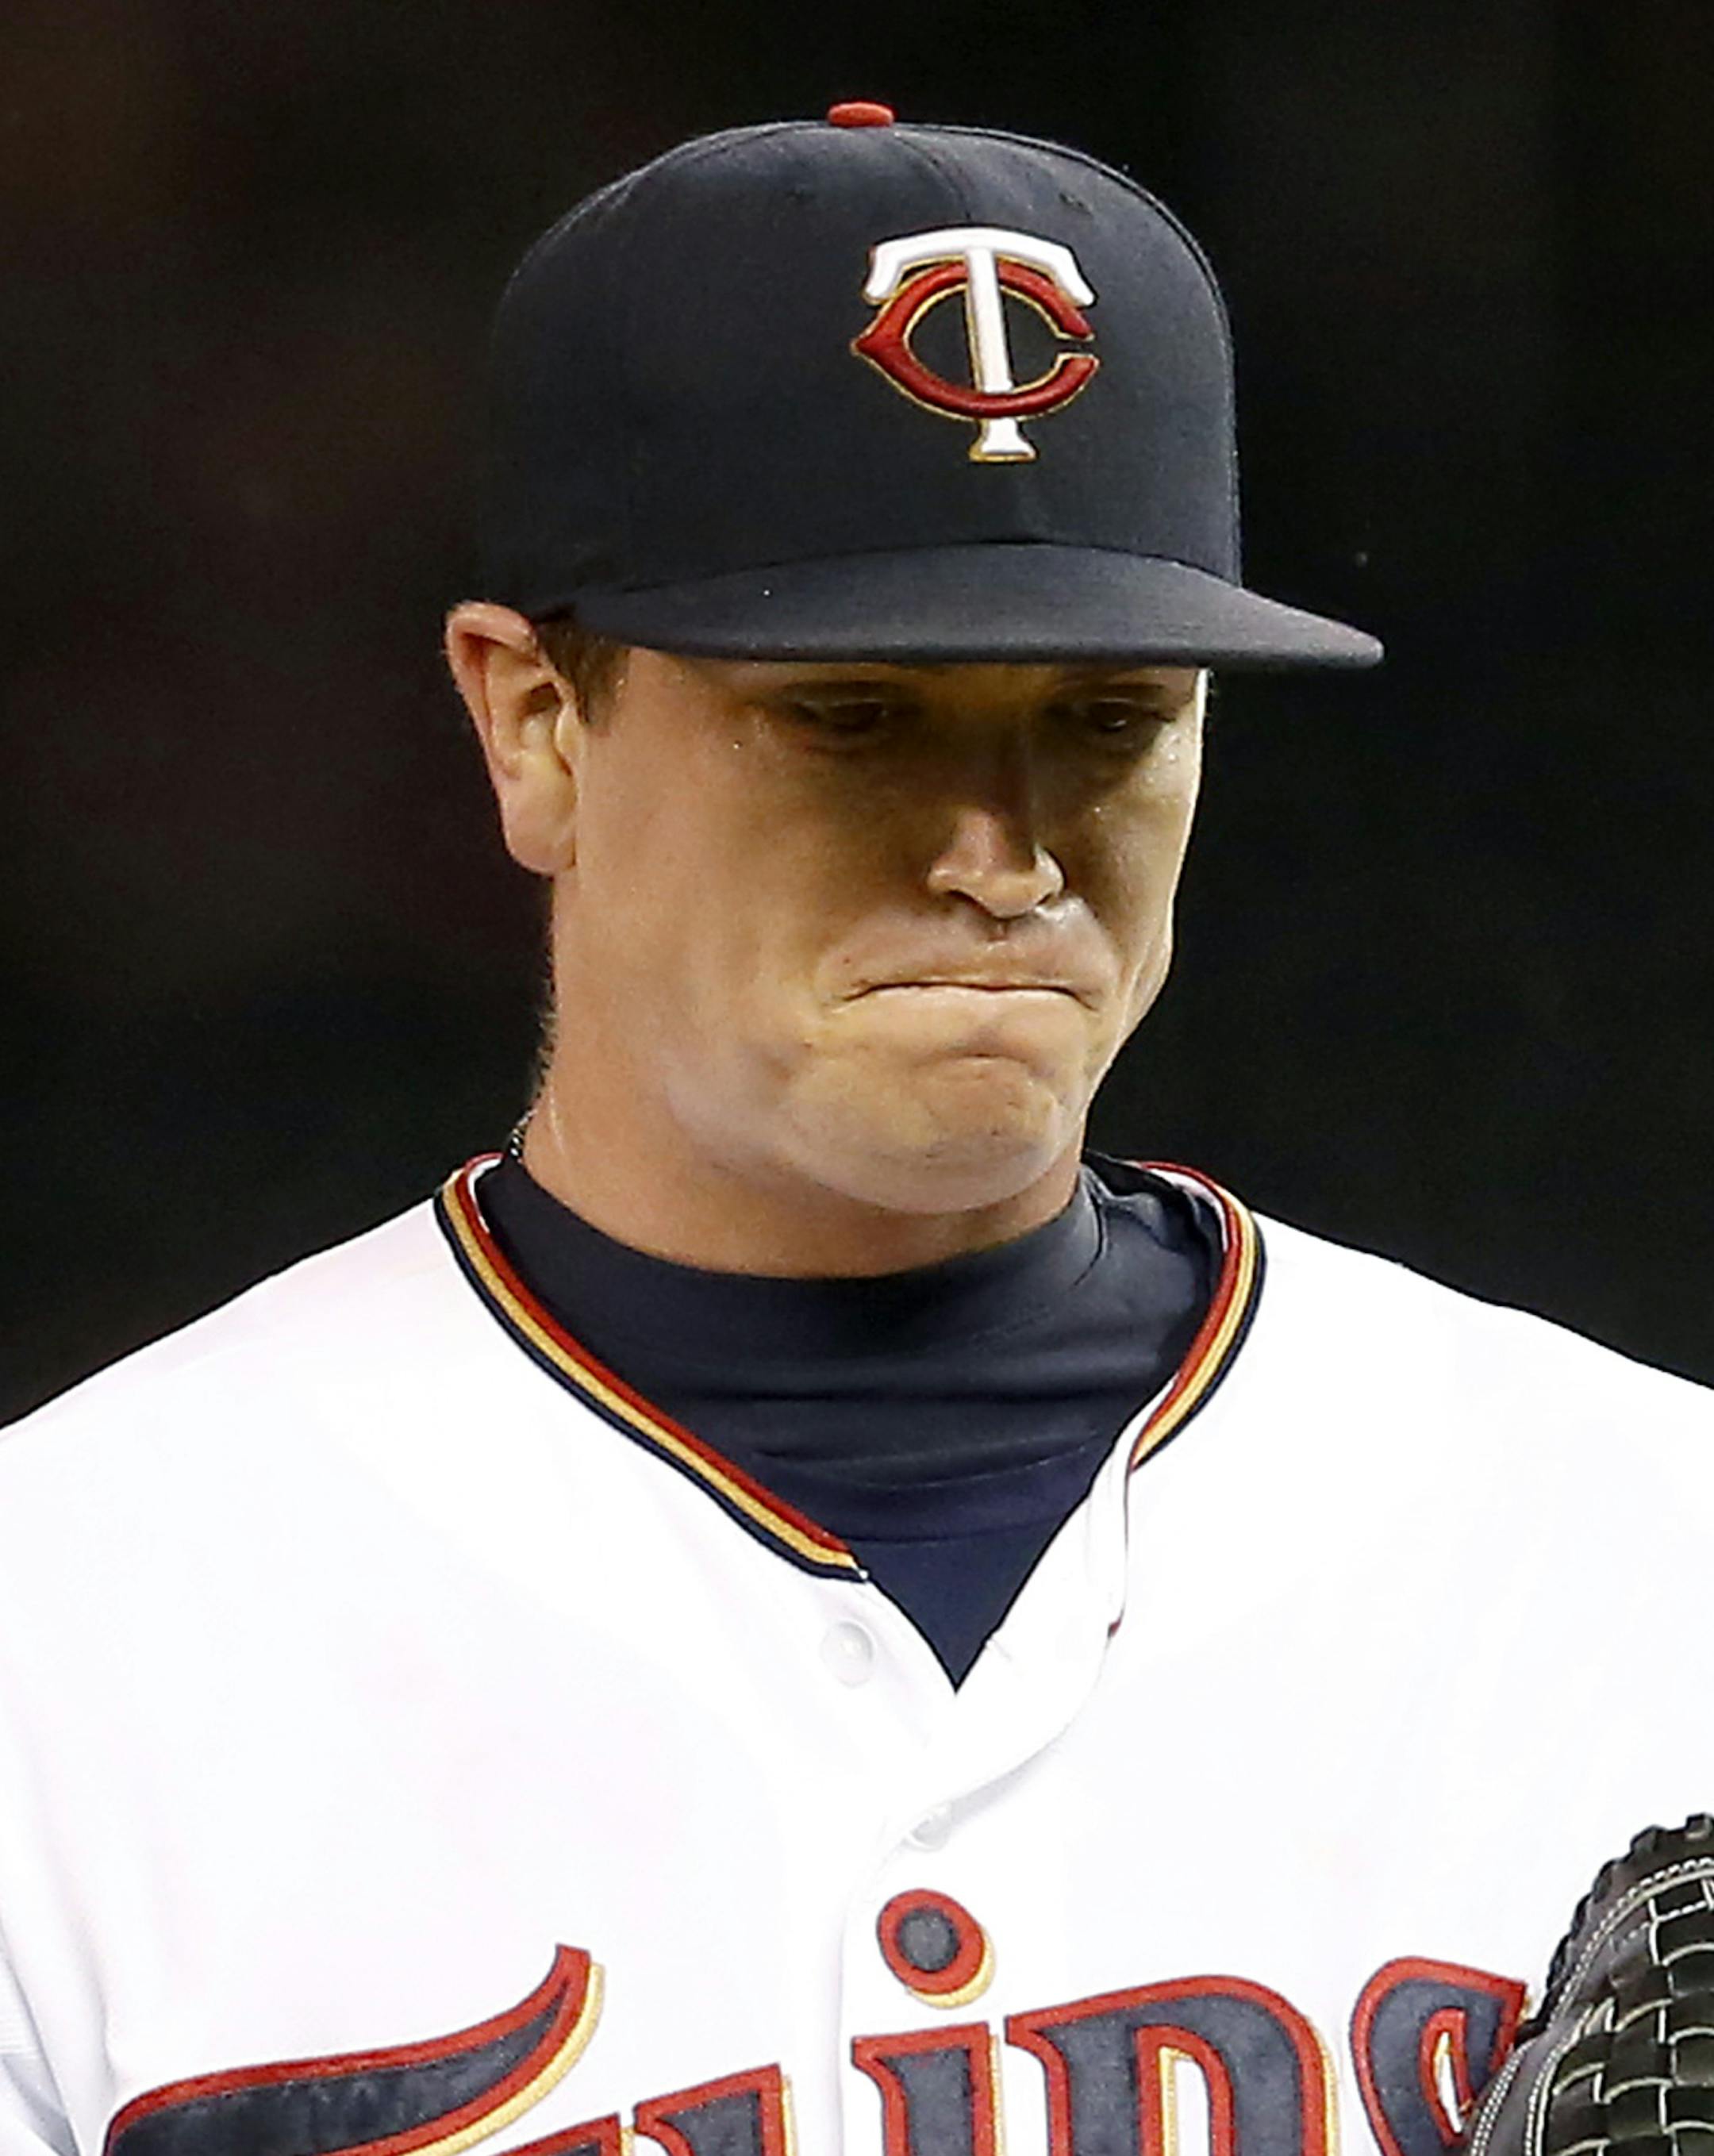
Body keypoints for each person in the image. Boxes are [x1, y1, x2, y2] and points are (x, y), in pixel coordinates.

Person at [0, 104, 1708, 2156]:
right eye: (855, 716)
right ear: (535, 725)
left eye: (1106, 720)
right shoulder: (70, 1636)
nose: (1004, 857)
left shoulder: (1650, 1551)